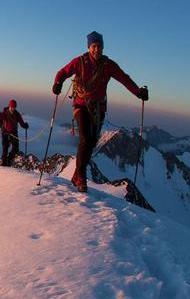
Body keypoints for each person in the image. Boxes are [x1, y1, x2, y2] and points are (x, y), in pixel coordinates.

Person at [52, 31, 149, 191]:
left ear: (102, 48)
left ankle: (77, 174)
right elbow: (63, 72)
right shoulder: (80, 62)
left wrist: (138, 92)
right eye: (94, 46)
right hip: (81, 106)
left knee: (91, 143)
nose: (97, 50)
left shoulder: (107, 65)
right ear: (89, 47)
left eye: (99, 47)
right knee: (85, 138)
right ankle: (81, 177)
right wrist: (57, 83)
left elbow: (124, 78)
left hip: (98, 108)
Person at [0, 99, 28, 166]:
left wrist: (25, 125)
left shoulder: (17, 114)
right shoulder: (4, 113)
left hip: (13, 133)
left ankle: (9, 159)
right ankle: (4, 162)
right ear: (9, 106)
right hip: (5, 133)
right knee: (5, 149)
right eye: (12, 107)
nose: (13, 109)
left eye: (14, 107)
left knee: (15, 148)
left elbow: (21, 123)